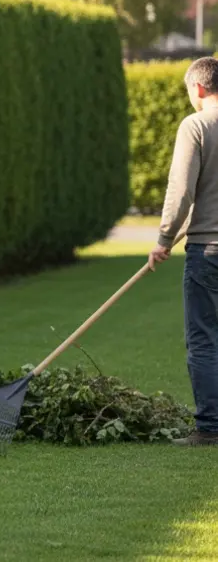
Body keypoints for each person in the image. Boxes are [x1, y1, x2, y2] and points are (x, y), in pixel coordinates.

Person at [150, 56, 218, 446]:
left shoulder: (195, 125)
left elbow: (180, 192)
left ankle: (210, 429)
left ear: (198, 88)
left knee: (204, 339)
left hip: (208, 251)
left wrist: (163, 240)